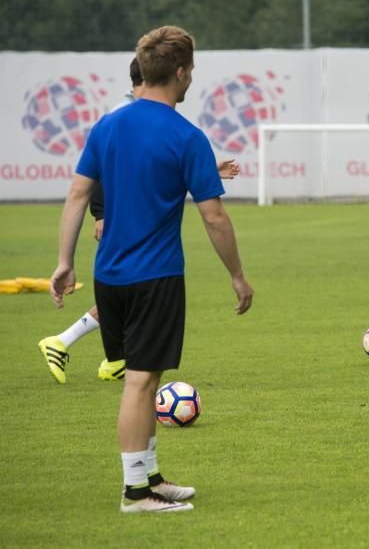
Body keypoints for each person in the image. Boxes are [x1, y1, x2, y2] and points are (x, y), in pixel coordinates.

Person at [50, 25, 254, 513]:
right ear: (180, 72)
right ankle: (135, 493)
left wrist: (63, 262)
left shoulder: (108, 125)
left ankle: (150, 477)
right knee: (141, 382)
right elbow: (213, 215)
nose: (190, 82)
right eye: (191, 73)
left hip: (111, 276)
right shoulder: (186, 135)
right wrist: (237, 275)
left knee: (143, 378)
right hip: (155, 275)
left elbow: (78, 194)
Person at [38, 58, 240, 384]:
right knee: (137, 294)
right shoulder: (123, 116)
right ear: (149, 78)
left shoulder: (125, 118)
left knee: (127, 292)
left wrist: (207, 170)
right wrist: (101, 214)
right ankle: (69, 343)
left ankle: (106, 358)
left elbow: (149, 166)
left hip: (123, 252)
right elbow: (105, 173)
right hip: (143, 247)